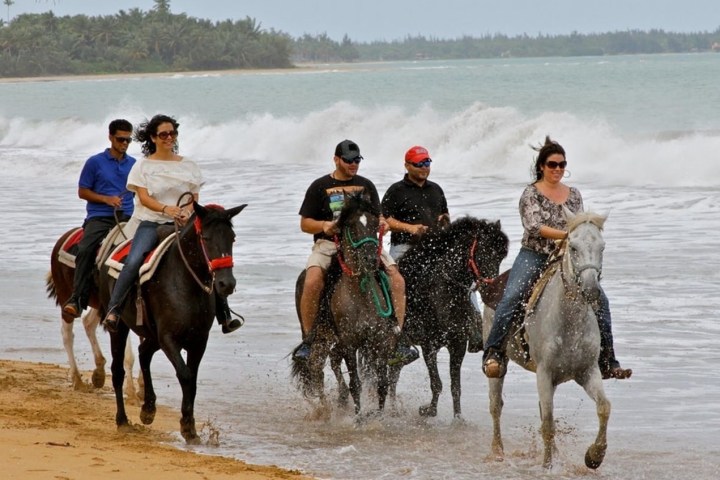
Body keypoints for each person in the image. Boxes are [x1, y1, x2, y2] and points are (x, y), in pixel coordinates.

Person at [482, 136, 632, 380]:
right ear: (542, 166)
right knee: (511, 295)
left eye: (562, 164)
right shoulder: (531, 193)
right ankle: (494, 352)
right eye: (553, 164)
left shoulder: (573, 195)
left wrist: (581, 237)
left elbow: (580, 225)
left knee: (600, 300)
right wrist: (567, 235)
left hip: (565, 258)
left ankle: (608, 359)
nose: (558, 169)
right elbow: (534, 226)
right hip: (535, 254)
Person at [103, 114, 242, 335]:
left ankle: (224, 315)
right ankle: (114, 310)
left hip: (184, 223)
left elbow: (193, 197)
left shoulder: (189, 165)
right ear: (153, 138)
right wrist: (167, 209)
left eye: (172, 133)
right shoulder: (143, 166)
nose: (169, 138)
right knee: (134, 260)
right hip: (151, 223)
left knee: (209, 260)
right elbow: (144, 198)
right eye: (164, 134)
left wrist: (187, 212)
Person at [293, 139, 418, 365]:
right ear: (336, 160)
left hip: (365, 243)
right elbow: (305, 224)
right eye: (349, 160)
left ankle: (398, 338)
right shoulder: (319, 186)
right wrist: (324, 226)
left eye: (357, 160)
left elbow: (376, 215)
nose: (354, 164)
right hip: (329, 244)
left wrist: (382, 224)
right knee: (311, 281)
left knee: (397, 280)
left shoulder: (366, 185)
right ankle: (309, 341)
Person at [63, 119, 136, 319]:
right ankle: (77, 299)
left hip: (128, 217)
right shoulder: (95, 162)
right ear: (110, 137)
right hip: (100, 217)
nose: (125, 144)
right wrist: (106, 199)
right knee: (86, 249)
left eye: (128, 140)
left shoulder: (134, 164)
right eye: (121, 139)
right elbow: (82, 191)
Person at [381, 145, 449, 261]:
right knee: (398, 279)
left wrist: (444, 220)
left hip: (434, 246)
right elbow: (384, 219)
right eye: (419, 164)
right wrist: (409, 228)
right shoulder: (396, 190)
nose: (424, 167)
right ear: (407, 166)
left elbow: (445, 214)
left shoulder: (436, 189)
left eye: (427, 163)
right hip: (403, 246)